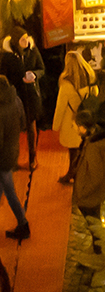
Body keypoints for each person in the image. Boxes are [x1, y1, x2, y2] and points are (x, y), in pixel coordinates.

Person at [0, 27, 43, 170]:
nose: (26, 41)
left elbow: (41, 68)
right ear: (16, 42)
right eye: (22, 39)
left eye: (27, 38)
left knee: (31, 128)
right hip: (16, 97)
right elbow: (4, 76)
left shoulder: (33, 51)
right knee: (14, 130)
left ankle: (33, 158)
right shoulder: (8, 56)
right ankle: (14, 161)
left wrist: (34, 75)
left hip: (31, 95)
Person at [53, 49, 99, 184]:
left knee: (73, 150)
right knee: (82, 147)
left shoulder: (67, 84)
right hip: (85, 119)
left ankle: (73, 173)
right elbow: (95, 94)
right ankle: (76, 172)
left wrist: (55, 126)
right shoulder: (90, 79)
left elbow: (60, 107)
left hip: (71, 121)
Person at [72, 109, 105, 257]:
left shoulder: (93, 147)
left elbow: (96, 175)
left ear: (84, 127)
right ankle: (97, 247)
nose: (76, 129)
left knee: (93, 223)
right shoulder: (94, 139)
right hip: (95, 192)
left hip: (90, 195)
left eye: (77, 126)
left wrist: (82, 192)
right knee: (94, 221)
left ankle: (98, 251)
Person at [0, 77, 28, 240]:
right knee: (7, 189)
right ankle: (23, 224)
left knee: (9, 191)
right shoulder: (16, 100)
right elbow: (23, 123)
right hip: (12, 152)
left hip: (2, 157)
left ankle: (23, 224)